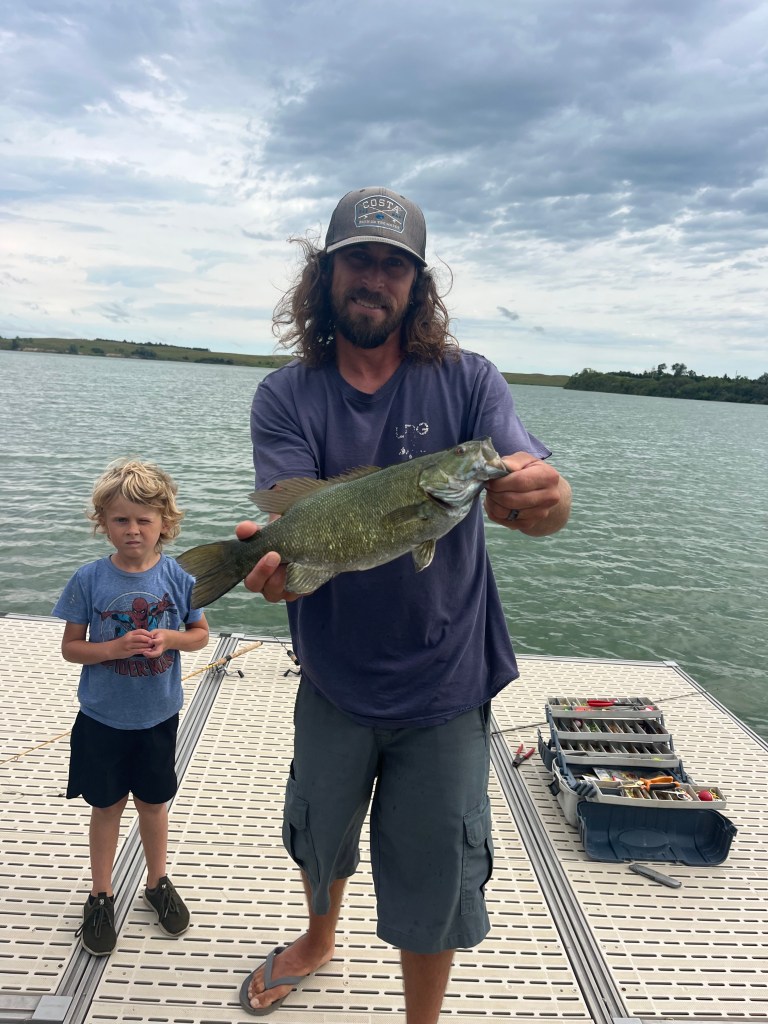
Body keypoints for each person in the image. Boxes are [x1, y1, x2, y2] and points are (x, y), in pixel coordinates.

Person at [237, 187, 572, 1020]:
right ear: (327, 274)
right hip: (334, 674)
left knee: (435, 869)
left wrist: (545, 499)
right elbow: (289, 520)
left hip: (447, 683)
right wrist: (276, 565)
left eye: (394, 265)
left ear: (417, 287)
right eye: (358, 260)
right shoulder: (285, 395)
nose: (374, 278)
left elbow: (534, 493)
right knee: (321, 832)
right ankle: (319, 939)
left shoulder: (471, 382)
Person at [52, 458, 209, 956]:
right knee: (106, 807)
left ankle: (156, 882)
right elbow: (71, 647)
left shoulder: (181, 578)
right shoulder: (89, 578)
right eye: (121, 519)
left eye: (144, 519)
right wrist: (112, 649)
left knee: (154, 805)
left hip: (158, 716)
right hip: (101, 718)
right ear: (103, 523)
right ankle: (101, 893)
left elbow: (201, 636)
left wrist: (171, 638)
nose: (134, 529)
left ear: (166, 521)